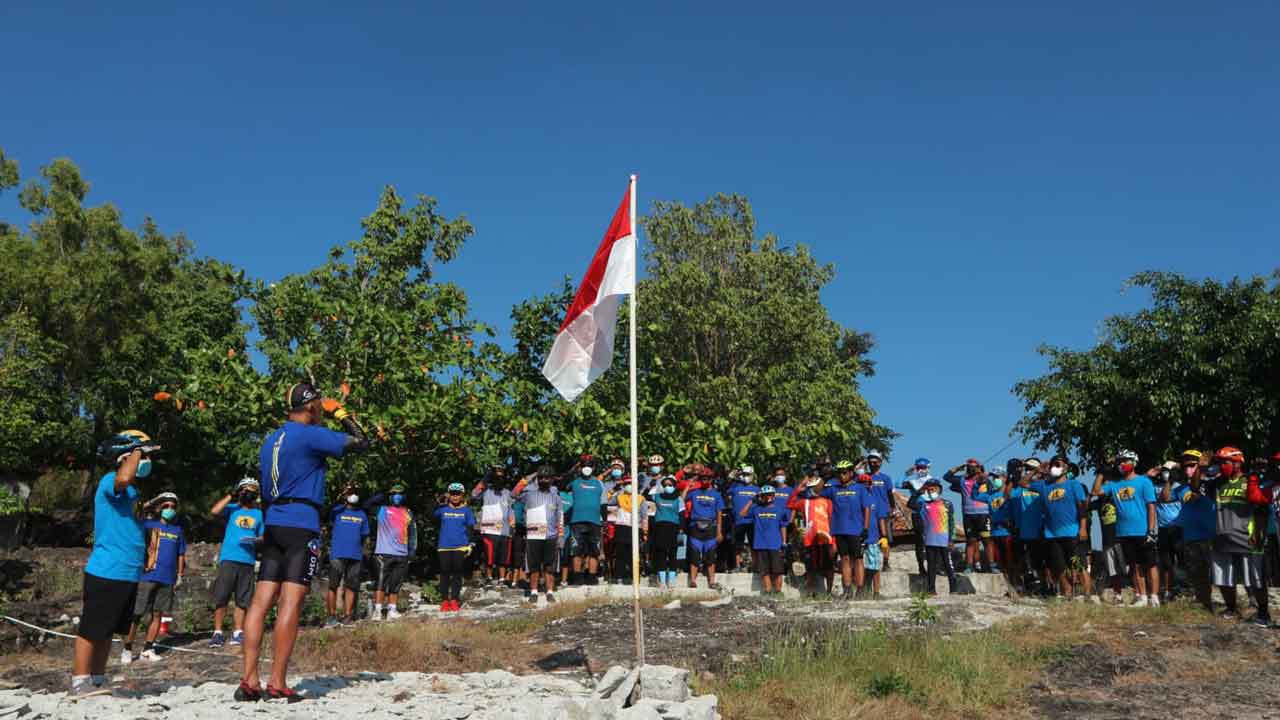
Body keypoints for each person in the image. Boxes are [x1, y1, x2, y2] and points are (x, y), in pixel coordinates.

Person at [237, 384, 370, 703]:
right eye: (320, 406)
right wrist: (341, 412)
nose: (321, 410)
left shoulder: (271, 439)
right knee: (291, 601)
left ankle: (249, 680)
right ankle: (278, 682)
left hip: (273, 523)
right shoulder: (310, 435)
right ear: (311, 406)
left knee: (260, 600)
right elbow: (361, 441)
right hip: (302, 523)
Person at [72, 430, 159, 698]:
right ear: (125, 456)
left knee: (108, 630)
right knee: (91, 629)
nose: (145, 462)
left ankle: (97, 680)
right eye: (141, 457)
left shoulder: (133, 492)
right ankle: (79, 682)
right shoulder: (111, 480)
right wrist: (137, 450)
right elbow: (123, 477)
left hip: (128, 572)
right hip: (107, 569)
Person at [1208, 446, 1270, 624]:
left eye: (1225, 462)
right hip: (1222, 538)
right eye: (1220, 463)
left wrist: (1259, 534)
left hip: (1247, 538)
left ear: (1237, 463)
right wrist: (1203, 467)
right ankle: (1231, 608)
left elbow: (1262, 509)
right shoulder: (1217, 483)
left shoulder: (1249, 481)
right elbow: (1196, 487)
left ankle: (1263, 612)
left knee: (1256, 580)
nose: (1222, 466)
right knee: (1223, 579)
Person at [123, 492, 185, 664]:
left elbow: (181, 554)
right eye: (166, 506)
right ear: (159, 508)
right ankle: (127, 648)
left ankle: (148, 648)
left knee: (157, 614)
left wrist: (180, 575)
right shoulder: (148, 525)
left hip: (167, 578)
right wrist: (154, 501)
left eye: (173, 507)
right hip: (147, 575)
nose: (170, 509)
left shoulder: (178, 530)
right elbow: (134, 514)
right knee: (136, 614)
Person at [1092, 450, 1159, 607]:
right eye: (1119, 461)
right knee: (1135, 566)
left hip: (1143, 531)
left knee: (1150, 564)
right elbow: (1096, 491)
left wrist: (1151, 531)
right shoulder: (1114, 484)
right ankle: (1142, 597)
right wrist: (1101, 472)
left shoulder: (1144, 482)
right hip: (1123, 532)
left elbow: (1151, 507)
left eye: (1125, 460)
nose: (1122, 464)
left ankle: (1154, 596)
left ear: (1134, 462)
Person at [209, 478, 263, 648]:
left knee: (243, 599)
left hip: (247, 560)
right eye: (245, 490)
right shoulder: (232, 509)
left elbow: (263, 536)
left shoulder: (259, 514)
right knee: (222, 596)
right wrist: (231, 496)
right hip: (229, 558)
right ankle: (217, 632)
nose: (248, 493)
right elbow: (214, 511)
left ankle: (238, 632)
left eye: (251, 491)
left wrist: (256, 540)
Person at [1041, 457, 1090, 600]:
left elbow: (1082, 508)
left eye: (1058, 464)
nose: (1054, 467)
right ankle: (1068, 594)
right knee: (1059, 567)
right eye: (1052, 464)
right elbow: (1023, 483)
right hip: (1052, 534)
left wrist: (1083, 528)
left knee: (1079, 565)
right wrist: (1039, 470)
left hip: (1072, 531)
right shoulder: (1045, 486)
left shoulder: (1074, 484)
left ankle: (1087, 595)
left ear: (1066, 468)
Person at [513, 466, 563, 603]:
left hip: (551, 536)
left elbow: (560, 518)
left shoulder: (556, 498)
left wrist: (560, 536)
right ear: (537, 479)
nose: (544, 480)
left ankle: (549, 592)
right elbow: (514, 493)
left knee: (549, 566)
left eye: (547, 478)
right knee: (534, 566)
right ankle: (534, 592)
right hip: (533, 536)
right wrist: (528, 478)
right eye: (541, 478)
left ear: (551, 480)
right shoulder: (529, 495)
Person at [824, 460, 872, 600]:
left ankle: (860, 590)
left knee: (858, 559)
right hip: (839, 530)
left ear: (851, 473)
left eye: (844, 472)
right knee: (844, 559)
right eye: (839, 473)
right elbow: (815, 492)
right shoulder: (833, 489)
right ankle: (847, 590)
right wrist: (824, 476)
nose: (841, 475)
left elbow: (867, 508)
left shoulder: (860, 488)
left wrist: (866, 528)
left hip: (856, 530)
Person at [368, 483, 417, 620]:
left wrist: (412, 551)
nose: (397, 496)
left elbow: (413, 533)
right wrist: (382, 495)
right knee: (380, 582)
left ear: (404, 496)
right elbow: (366, 506)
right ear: (390, 496)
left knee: (396, 583)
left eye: (400, 494)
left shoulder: (408, 512)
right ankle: (377, 611)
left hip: (402, 553)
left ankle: (392, 610)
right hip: (383, 552)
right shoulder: (381, 510)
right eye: (394, 494)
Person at [324, 486, 370, 626]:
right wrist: (341, 494)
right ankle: (331, 616)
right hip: (337, 554)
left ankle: (348, 616)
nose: (353, 495)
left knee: (351, 586)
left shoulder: (362, 514)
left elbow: (365, 536)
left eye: (356, 493)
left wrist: (365, 552)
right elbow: (326, 514)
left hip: (355, 556)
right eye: (351, 493)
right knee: (333, 585)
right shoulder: (337, 510)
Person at [1176, 450, 1215, 611]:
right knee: (1197, 572)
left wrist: (1203, 469)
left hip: (1211, 535)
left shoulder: (1212, 483)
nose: (1188, 470)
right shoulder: (1181, 488)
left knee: (1216, 571)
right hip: (1191, 536)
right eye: (1186, 467)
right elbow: (1192, 493)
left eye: (1192, 466)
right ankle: (1204, 602)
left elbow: (1198, 489)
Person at [786, 473, 834, 597]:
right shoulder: (804, 502)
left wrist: (834, 540)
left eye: (812, 487)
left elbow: (832, 520)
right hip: (810, 540)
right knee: (811, 568)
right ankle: (809, 592)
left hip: (826, 539)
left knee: (829, 567)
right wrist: (799, 488)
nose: (810, 490)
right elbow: (789, 504)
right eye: (809, 488)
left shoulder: (827, 502)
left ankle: (829, 592)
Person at [944, 459, 994, 573]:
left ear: (978, 468)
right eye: (969, 467)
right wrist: (959, 467)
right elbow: (946, 477)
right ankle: (969, 566)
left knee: (987, 540)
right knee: (971, 541)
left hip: (984, 514)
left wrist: (980, 472)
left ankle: (992, 565)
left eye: (973, 467)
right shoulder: (962, 480)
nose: (971, 469)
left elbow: (991, 492)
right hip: (968, 515)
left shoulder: (985, 480)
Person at [739, 483, 790, 595]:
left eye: (770, 494)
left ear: (774, 496)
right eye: (765, 495)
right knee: (764, 570)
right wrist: (751, 501)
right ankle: (767, 591)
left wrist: (784, 541)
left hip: (775, 544)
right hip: (760, 544)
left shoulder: (780, 509)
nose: (768, 497)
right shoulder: (756, 509)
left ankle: (778, 591)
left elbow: (783, 526)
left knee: (777, 570)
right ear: (761, 496)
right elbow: (742, 514)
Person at [908, 478, 956, 595]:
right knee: (931, 566)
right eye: (929, 490)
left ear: (939, 490)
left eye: (933, 489)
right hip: (930, 540)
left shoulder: (948, 504)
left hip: (944, 540)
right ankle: (931, 590)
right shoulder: (924, 504)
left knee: (948, 565)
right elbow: (910, 504)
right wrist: (918, 492)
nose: (931, 492)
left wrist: (951, 540)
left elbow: (951, 523)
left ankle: (954, 589)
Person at [434, 483, 477, 612]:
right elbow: (430, 514)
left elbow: (470, 528)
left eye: (458, 494)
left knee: (457, 573)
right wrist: (439, 501)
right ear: (449, 495)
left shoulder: (467, 511)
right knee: (445, 572)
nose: (455, 496)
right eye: (452, 494)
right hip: (444, 546)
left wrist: (471, 543)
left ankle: (454, 600)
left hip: (461, 546)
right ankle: (444, 601)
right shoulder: (442, 509)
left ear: (462, 495)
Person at [567, 457, 607, 585]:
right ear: (580, 467)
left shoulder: (599, 483)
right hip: (577, 521)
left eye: (589, 465)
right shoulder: (574, 482)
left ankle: (592, 577)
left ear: (593, 468)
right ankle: (577, 577)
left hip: (595, 521)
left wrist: (604, 520)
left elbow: (604, 503)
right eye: (584, 465)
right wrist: (574, 468)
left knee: (594, 551)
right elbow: (562, 483)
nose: (586, 468)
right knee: (576, 550)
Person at [1010, 459, 1047, 596]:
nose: (1028, 471)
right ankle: (1019, 587)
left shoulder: (1044, 485)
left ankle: (1045, 587)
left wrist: (1042, 473)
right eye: (1027, 469)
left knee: (1041, 562)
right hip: (1022, 531)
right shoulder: (1021, 487)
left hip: (1040, 530)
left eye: (1031, 469)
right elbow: (1009, 495)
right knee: (1020, 561)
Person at [684, 466, 725, 590]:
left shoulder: (716, 495)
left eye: (707, 479)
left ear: (711, 480)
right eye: (702, 479)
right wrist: (689, 485)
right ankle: (692, 581)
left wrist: (719, 532)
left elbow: (719, 514)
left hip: (711, 527)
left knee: (710, 554)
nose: (705, 481)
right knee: (695, 554)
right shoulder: (694, 492)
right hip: (695, 526)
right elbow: (682, 499)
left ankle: (712, 581)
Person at [472, 466, 514, 586]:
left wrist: (512, 527)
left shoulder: (507, 493)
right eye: (496, 475)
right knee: (489, 557)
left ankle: (502, 579)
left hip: (505, 530)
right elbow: (474, 494)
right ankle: (489, 578)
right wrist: (486, 478)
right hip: (489, 530)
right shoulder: (486, 491)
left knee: (503, 558)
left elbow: (510, 511)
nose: (499, 478)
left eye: (501, 475)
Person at [974, 466, 1013, 586]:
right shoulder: (990, 495)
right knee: (1000, 561)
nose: (995, 479)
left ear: (1004, 477)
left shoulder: (1011, 492)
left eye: (997, 477)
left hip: (1009, 532)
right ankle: (1007, 586)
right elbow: (974, 496)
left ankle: (1018, 584)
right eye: (993, 477)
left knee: (1012, 561)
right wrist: (979, 482)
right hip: (995, 532)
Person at [606, 471, 646, 584]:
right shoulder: (619, 497)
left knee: (633, 554)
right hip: (621, 528)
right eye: (626, 484)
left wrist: (645, 532)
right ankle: (618, 576)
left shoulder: (640, 498)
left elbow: (644, 516)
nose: (629, 486)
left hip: (635, 529)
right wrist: (614, 489)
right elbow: (607, 500)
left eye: (631, 484)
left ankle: (633, 577)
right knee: (620, 554)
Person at [1153, 460, 1185, 602]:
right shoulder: (1155, 488)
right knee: (1166, 563)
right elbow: (1164, 496)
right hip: (1163, 529)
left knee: (1183, 560)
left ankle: (1185, 588)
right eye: (1164, 471)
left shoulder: (1179, 487)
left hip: (1178, 528)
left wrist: (1172, 475)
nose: (1166, 474)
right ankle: (1167, 590)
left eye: (1168, 472)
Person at [858, 452, 895, 570]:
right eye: (870, 462)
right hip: (869, 511)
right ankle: (866, 561)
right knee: (868, 536)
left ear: (880, 462)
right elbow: (854, 472)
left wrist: (892, 509)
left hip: (884, 511)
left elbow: (890, 494)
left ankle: (886, 562)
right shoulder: (865, 477)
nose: (873, 464)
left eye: (875, 462)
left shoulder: (886, 478)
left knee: (885, 538)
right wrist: (862, 462)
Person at [650, 475, 683, 589]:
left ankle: (672, 580)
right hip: (660, 528)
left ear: (674, 486)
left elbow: (682, 515)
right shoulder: (656, 497)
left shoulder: (679, 499)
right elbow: (646, 494)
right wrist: (656, 482)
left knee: (673, 554)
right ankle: (662, 581)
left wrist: (681, 529)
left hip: (673, 528)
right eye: (665, 485)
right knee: (661, 554)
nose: (667, 487)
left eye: (670, 485)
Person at [901, 458, 933, 574]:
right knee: (920, 541)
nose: (921, 470)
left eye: (923, 467)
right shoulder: (913, 482)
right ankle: (921, 567)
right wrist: (906, 474)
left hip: (931, 513)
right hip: (917, 514)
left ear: (928, 468)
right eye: (918, 468)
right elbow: (897, 484)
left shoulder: (933, 480)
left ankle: (933, 567)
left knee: (932, 541)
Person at [726, 466, 759, 573]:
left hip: (752, 521)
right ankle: (737, 565)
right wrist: (733, 477)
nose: (746, 477)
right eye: (744, 474)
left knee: (753, 545)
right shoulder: (735, 487)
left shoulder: (757, 489)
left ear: (753, 476)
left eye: (748, 475)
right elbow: (727, 493)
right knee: (737, 545)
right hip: (738, 521)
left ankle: (754, 566)